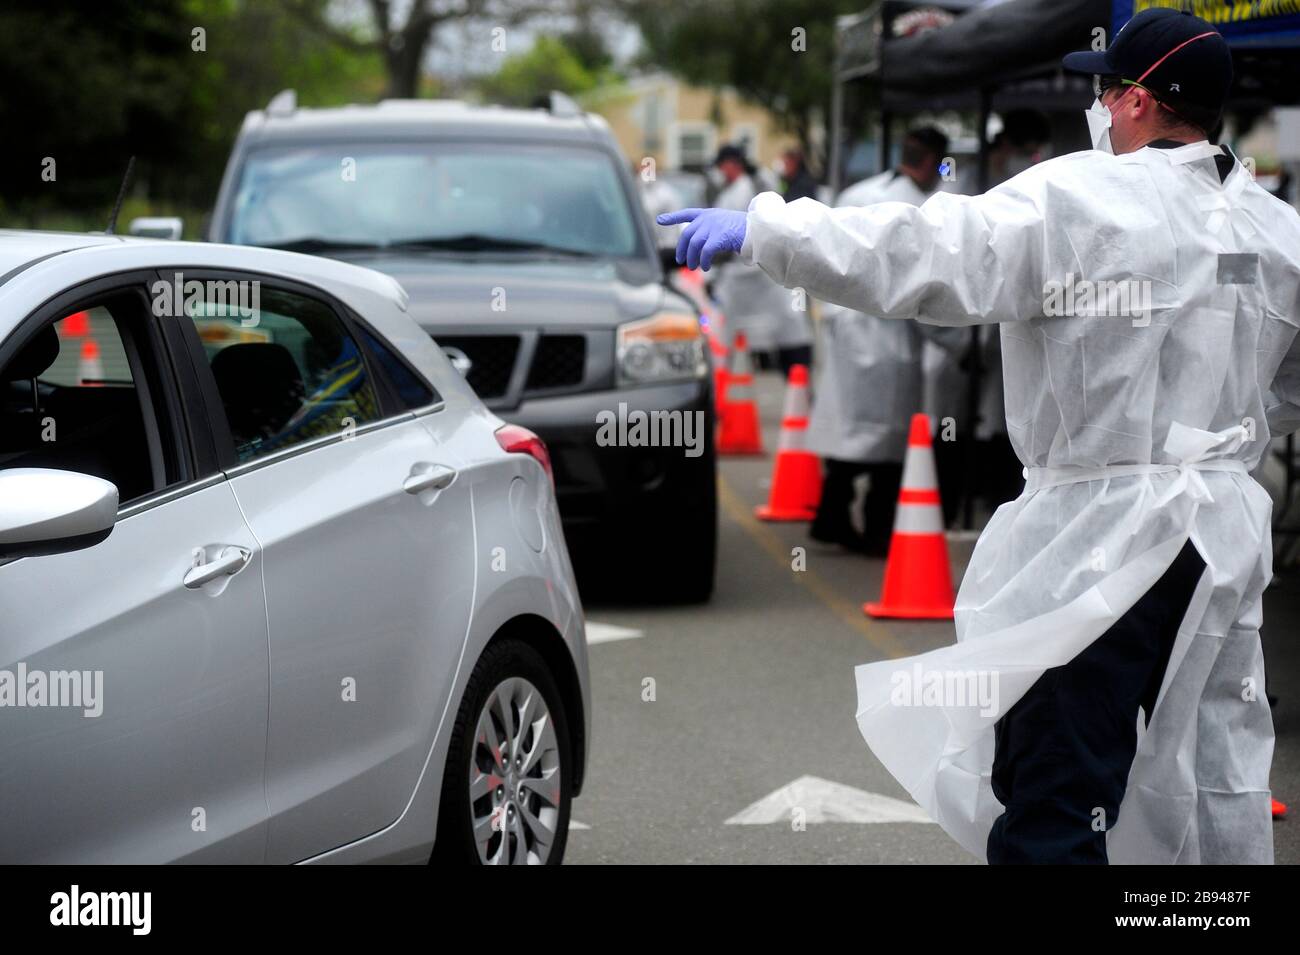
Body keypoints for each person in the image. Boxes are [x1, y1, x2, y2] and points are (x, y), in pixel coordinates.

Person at [660, 8, 1300, 864]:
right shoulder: (1275, 230)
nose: (1098, 109)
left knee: (1059, 788)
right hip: (1222, 539)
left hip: (1100, 544)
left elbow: (926, 249)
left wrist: (771, 231)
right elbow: (1287, 389)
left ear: (1139, 101)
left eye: (1105, 92)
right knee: (1215, 775)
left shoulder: (1080, 198)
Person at [809, 127, 959, 555]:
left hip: (846, 329)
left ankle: (832, 514)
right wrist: (957, 344)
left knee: (851, 431)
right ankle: (876, 529)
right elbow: (925, 287)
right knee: (892, 441)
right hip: (890, 335)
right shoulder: (920, 210)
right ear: (932, 161)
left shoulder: (857, 193)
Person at [710, 144, 812, 373]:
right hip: (738, 278)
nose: (719, 172)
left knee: (788, 325)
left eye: (722, 165)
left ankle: (798, 378)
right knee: (728, 333)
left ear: (732, 164)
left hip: (766, 274)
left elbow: (773, 194)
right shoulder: (728, 194)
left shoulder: (754, 185)